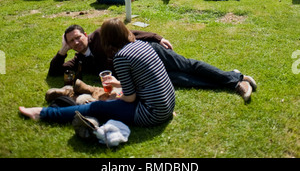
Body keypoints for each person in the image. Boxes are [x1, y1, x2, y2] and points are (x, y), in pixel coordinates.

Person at [20, 18, 176, 127]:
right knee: (107, 98)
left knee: (96, 108)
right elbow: (141, 82)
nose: (75, 43)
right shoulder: (142, 45)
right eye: (70, 41)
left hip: (152, 113)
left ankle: (42, 113)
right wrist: (117, 84)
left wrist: (109, 102)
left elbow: (130, 98)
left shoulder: (121, 57)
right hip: (167, 105)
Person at [47, 23, 256, 102]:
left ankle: (236, 82)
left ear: (84, 34)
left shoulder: (101, 34)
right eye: (71, 41)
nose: (76, 42)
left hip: (149, 51)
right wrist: (62, 50)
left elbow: (131, 32)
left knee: (188, 66)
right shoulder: (80, 60)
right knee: (182, 80)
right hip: (142, 73)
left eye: (77, 38)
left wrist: (157, 38)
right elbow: (56, 73)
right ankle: (235, 77)